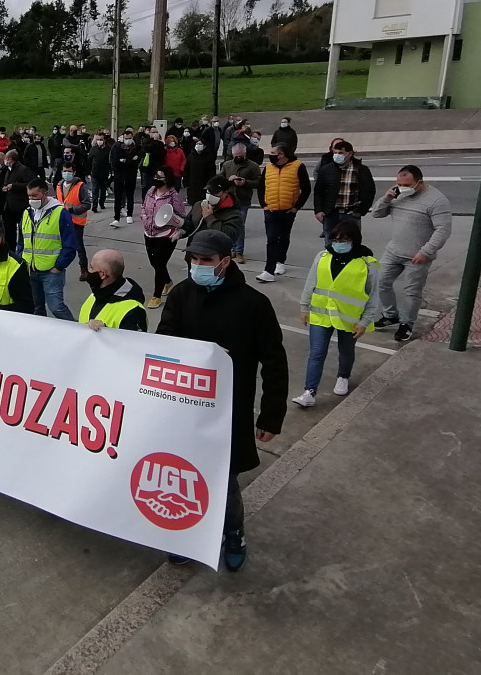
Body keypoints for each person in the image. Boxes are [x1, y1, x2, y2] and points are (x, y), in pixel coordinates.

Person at [157, 230, 287, 571]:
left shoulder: (254, 304)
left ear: (225, 263)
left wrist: (271, 416)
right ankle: (188, 534)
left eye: (206, 261)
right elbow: (163, 343)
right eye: (193, 260)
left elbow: (274, 362)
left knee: (224, 481)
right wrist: (201, 354)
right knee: (182, 474)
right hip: (183, 407)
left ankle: (233, 533)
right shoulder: (182, 295)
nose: (197, 266)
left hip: (229, 410)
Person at [292, 220, 379, 407]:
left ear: (355, 240)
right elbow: (311, 283)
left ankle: (343, 376)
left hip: (349, 318)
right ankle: (309, 392)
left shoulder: (368, 264)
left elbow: (372, 296)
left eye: (344, 240)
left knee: (346, 351)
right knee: (316, 353)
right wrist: (304, 307)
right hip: (321, 314)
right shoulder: (322, 256)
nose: (339, 244)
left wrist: (364, 321)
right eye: (336, 240)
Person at [370, 164, 453, 342]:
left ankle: (406, 324)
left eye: (407, 185)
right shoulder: (396, 195)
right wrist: (386, 198)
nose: (402, 188)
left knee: (411, 291)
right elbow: (376, 214)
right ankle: (390, 314)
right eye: (399, 184)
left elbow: (443, 230)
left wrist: (426, 251)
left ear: (419, 182)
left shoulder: (436, 201)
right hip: (394, 250)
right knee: (381, 280)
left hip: (418, 256)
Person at [20, 178, 78, 320]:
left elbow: (70, 244)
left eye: (35, 196)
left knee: (56, 307)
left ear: (45, 194)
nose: (31, 199)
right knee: (36, 308)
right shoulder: (27, 213)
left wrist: (58, 266)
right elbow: (21, 241)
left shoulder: (60, 213)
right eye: (29, 196)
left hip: (51, 271)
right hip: (30, 269)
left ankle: (75, 330)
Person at [255, 143, 310, 283]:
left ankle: (281, 261)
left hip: (288, 210)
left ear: (281, 154)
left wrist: (296, 207)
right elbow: (261, 187)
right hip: (271, 210)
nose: (270, 155)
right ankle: (269, 270)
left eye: (273, 152)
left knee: (284, 237)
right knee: (272, 239)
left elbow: (306, 189)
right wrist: (264, 205)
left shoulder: (298, 166)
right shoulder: (268, 167)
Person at [139, 165, 188, 309]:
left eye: (160, 177)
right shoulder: (150, 192)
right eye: (155, 176)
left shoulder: (174, 196)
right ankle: (167, 281)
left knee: (159, 264)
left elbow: (182, 215)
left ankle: (157, 295)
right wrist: (144, 217)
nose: (156, 179)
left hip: (166, 235)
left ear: (167, 179)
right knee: (155, 263)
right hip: (149, 233)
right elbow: (144, 206)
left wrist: (177, 227)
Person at [313, 140, 376, 247]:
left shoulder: (361, 169)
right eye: (335, 153)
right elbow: (318, 191)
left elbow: (369, 191)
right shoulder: (327, 170)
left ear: (350, 153)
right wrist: (318, 210)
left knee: (352, 243)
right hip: (331, 213)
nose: (337, 156)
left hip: (351, 214)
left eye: (341, 153)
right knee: (330, 243)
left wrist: (361, 210)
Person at [80, 249, 148, 331]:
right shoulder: (97, 293)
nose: (88, 271)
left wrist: (107, 331)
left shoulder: (133, 311)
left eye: (91, 267)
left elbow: (135, 342)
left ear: (102, 274)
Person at [221, 141, 260, 264]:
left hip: (243, 200)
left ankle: (239, 251)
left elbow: (259, 182)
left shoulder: (253, 166)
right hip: (229, 200)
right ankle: (231, 249)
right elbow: (219, 181)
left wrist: (245, 182)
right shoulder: (227, 165)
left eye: (240, 155)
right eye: (236, 155)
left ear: (245, 154)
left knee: (239, 225)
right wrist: (228, 180)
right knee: (229, 226)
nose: (238, 157)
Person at [181, 175, 243, 248]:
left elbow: (229, 236)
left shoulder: (233, 213)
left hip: (215, 254)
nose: (210, 195)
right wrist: (181, 230)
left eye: (215, 193)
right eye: (208, 191)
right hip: (194, 249)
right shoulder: (199, 205)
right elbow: (189, 223)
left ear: (225, 193)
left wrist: (210, 218)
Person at [56, 161, 91, 276]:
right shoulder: (59, 185)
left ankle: (84, 268)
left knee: (78, 246)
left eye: (69, 171)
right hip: (62, 220)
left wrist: (72, 210)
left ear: (74, 172)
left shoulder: (80, 186)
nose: (67, 173)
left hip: (76, 221)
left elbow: (87, 204)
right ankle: (59, 265)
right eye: (65, 171)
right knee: (60, 245)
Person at [1, 149, 33, 247]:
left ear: (10, 159)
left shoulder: (23, 169)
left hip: (20, 205)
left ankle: (21, 248)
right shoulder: (9, 170)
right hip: (10, 206)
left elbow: (29, 184)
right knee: (9, 229)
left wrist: (14, 186)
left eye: (5, 159)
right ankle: (10, 248)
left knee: (21, 229)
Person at [109, 129, 141, 227]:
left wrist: (125, 161)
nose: (128, 140)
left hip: (130, 175)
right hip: (119, 175)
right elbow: (115, 162)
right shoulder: (117, 147)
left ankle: (129, 214)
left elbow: (136, 162)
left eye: (130, 138)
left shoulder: (136, 148)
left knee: (130, 195)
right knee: (118, 197)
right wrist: (129, 161)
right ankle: (116, 217)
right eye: (126, 138)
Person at [183, 134, 218, 208]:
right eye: (197, 144)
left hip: (204, 185)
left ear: (204, 146)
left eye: (200, 144)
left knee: (204, 205)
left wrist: (210, 185)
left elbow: (212, 172)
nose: (198, 145)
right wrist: (186, 183)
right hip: (193, 185)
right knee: (194, 205)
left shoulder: (209, 157)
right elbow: (186, 170)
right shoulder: (191, 156)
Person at [89, 132, 111, 211]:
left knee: (103, 191)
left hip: (104, 174)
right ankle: (94, 206)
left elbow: (110, 161)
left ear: (104, 140)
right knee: (95, 190)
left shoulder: (108, 149)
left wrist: (110, 172)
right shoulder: (93, 149)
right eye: (97, 139)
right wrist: (89, 171)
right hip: (95, 173)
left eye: (101, 139)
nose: (99, 141)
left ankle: (101, 203)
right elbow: (89, 160)